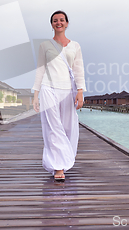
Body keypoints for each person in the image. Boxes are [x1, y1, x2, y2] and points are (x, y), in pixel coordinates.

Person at [32, 11, 86, 182]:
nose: (59, 23)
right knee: (53, 127)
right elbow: (40, 70)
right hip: (48, 89)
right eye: (55, 20)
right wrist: (35, 94)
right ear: (52, 24)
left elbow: (78, 69)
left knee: (68, 127)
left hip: (67, 90)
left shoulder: (75, 46)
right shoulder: (44, 46)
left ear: (67, 23)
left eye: (62, 20)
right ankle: (58, 167)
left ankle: (64, 158)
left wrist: (80, 91)